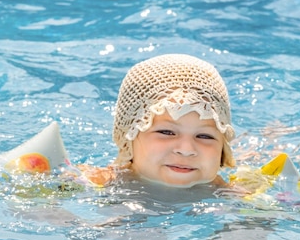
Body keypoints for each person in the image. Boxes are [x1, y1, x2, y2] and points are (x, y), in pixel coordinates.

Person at [80, 53, 236, 189]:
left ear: (223, 149)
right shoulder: (102, 181)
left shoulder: (230, 196)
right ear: (128, 138)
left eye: (204, 136)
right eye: (166, 132)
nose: (186, 149)